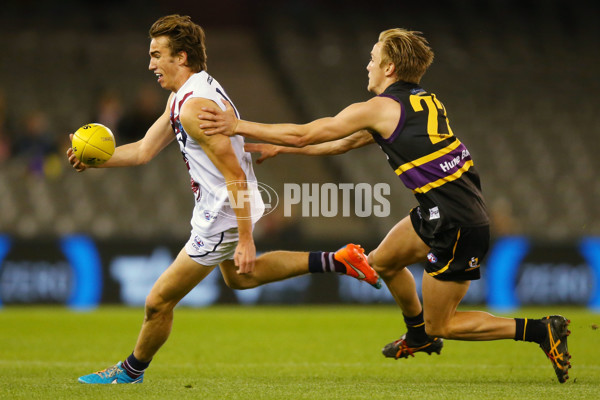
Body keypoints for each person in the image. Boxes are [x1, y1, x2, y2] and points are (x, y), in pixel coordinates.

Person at [198, 28, 572, 383]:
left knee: (442, 324)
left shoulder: (381, 107)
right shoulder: (423, 101)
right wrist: (287, 147)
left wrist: (237, 125)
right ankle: (417, 336)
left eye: (373, 58)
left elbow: (307, 130)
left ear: (390, 68)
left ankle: (539, 330)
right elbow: (344, 142)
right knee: (381, 263)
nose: (368, 65)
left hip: (456, 223)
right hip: (438, 212)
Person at [68, 14, 381, 385]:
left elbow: (235, 175)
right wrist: (97, 159)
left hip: (224, 214)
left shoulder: (193, 108)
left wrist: (246, 238)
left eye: (157, 55)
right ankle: (340, 259)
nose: (150, 64)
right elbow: (141, 151)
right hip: (219, 208)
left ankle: (130, 371)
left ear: (181, 57)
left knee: (158, 301)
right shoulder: (186, 95)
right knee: (239, 281)